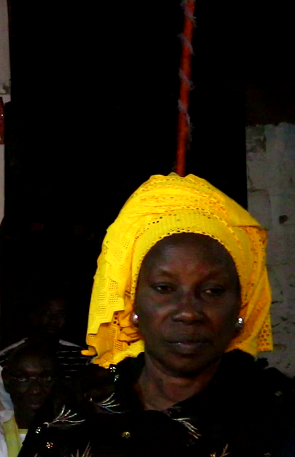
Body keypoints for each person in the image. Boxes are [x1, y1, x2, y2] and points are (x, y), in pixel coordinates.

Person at [21, 173, 295, 456]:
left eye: (212, 290)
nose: (188, 312)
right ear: (133, 304)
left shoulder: (278, 416)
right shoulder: (76, 409)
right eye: (164, 288)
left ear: (242, 304)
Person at [0, 293, 89, 411]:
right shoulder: (1, 362)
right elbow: (4, 412)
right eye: (47, 313)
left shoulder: (81, 357)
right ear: (33, 315)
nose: (53, 320)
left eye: (60, 314)